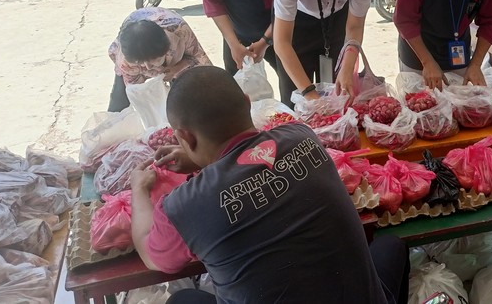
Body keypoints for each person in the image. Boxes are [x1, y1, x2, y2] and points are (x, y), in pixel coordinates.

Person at [129, 66, 410, 303]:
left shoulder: (183, 206)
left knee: (184, 300)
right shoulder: (302, 136)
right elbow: (253, 154)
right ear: (249, 104)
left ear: (185, 137)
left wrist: (140, 191)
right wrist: (207, 161)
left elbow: (153, 256)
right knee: (390, 247)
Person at [107, 8, 212, 112]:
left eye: (154, 60)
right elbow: (139, 93)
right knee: (120, 100)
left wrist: (176, 69)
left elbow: (200, 61)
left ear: (167, 49)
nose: (148, 67)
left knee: (190, 95)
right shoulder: (127, 61)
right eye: (141, 63)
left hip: (174, 44)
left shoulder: (181, 32)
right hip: (133, 58)